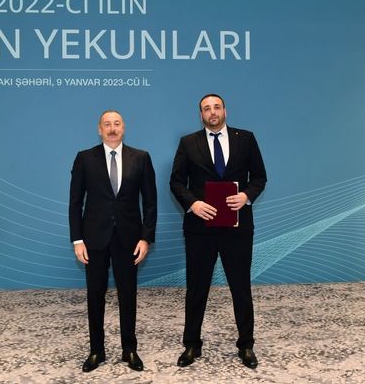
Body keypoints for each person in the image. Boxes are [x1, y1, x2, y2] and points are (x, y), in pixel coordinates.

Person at [169, 94, 267, 369]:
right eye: (206, 109)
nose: (212, 112)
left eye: (216, 107)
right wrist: (193, 204)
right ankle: (191, 344)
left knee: (241, 288)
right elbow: (176, 182)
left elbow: (260, 177)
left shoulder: (245, 139)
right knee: (196, 288)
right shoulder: (188, 142)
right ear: (200, 115)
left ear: (225, 110)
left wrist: (246, 196)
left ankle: (246, 345)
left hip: (238, 227)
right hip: (200, 229)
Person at [69, 110, 157, 372]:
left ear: (124, 127)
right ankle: (96, 350)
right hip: (93, 240)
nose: (112, 128)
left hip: (129, 239)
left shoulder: (141, 158)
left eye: (117, 123)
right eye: (107, 124)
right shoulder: (85, 158)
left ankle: (129, 349)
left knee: (128, 295)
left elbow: (150, 203)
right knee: (95, 295)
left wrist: (146, 238)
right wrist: (77, 240)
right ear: (99, 129)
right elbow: (75, 203)